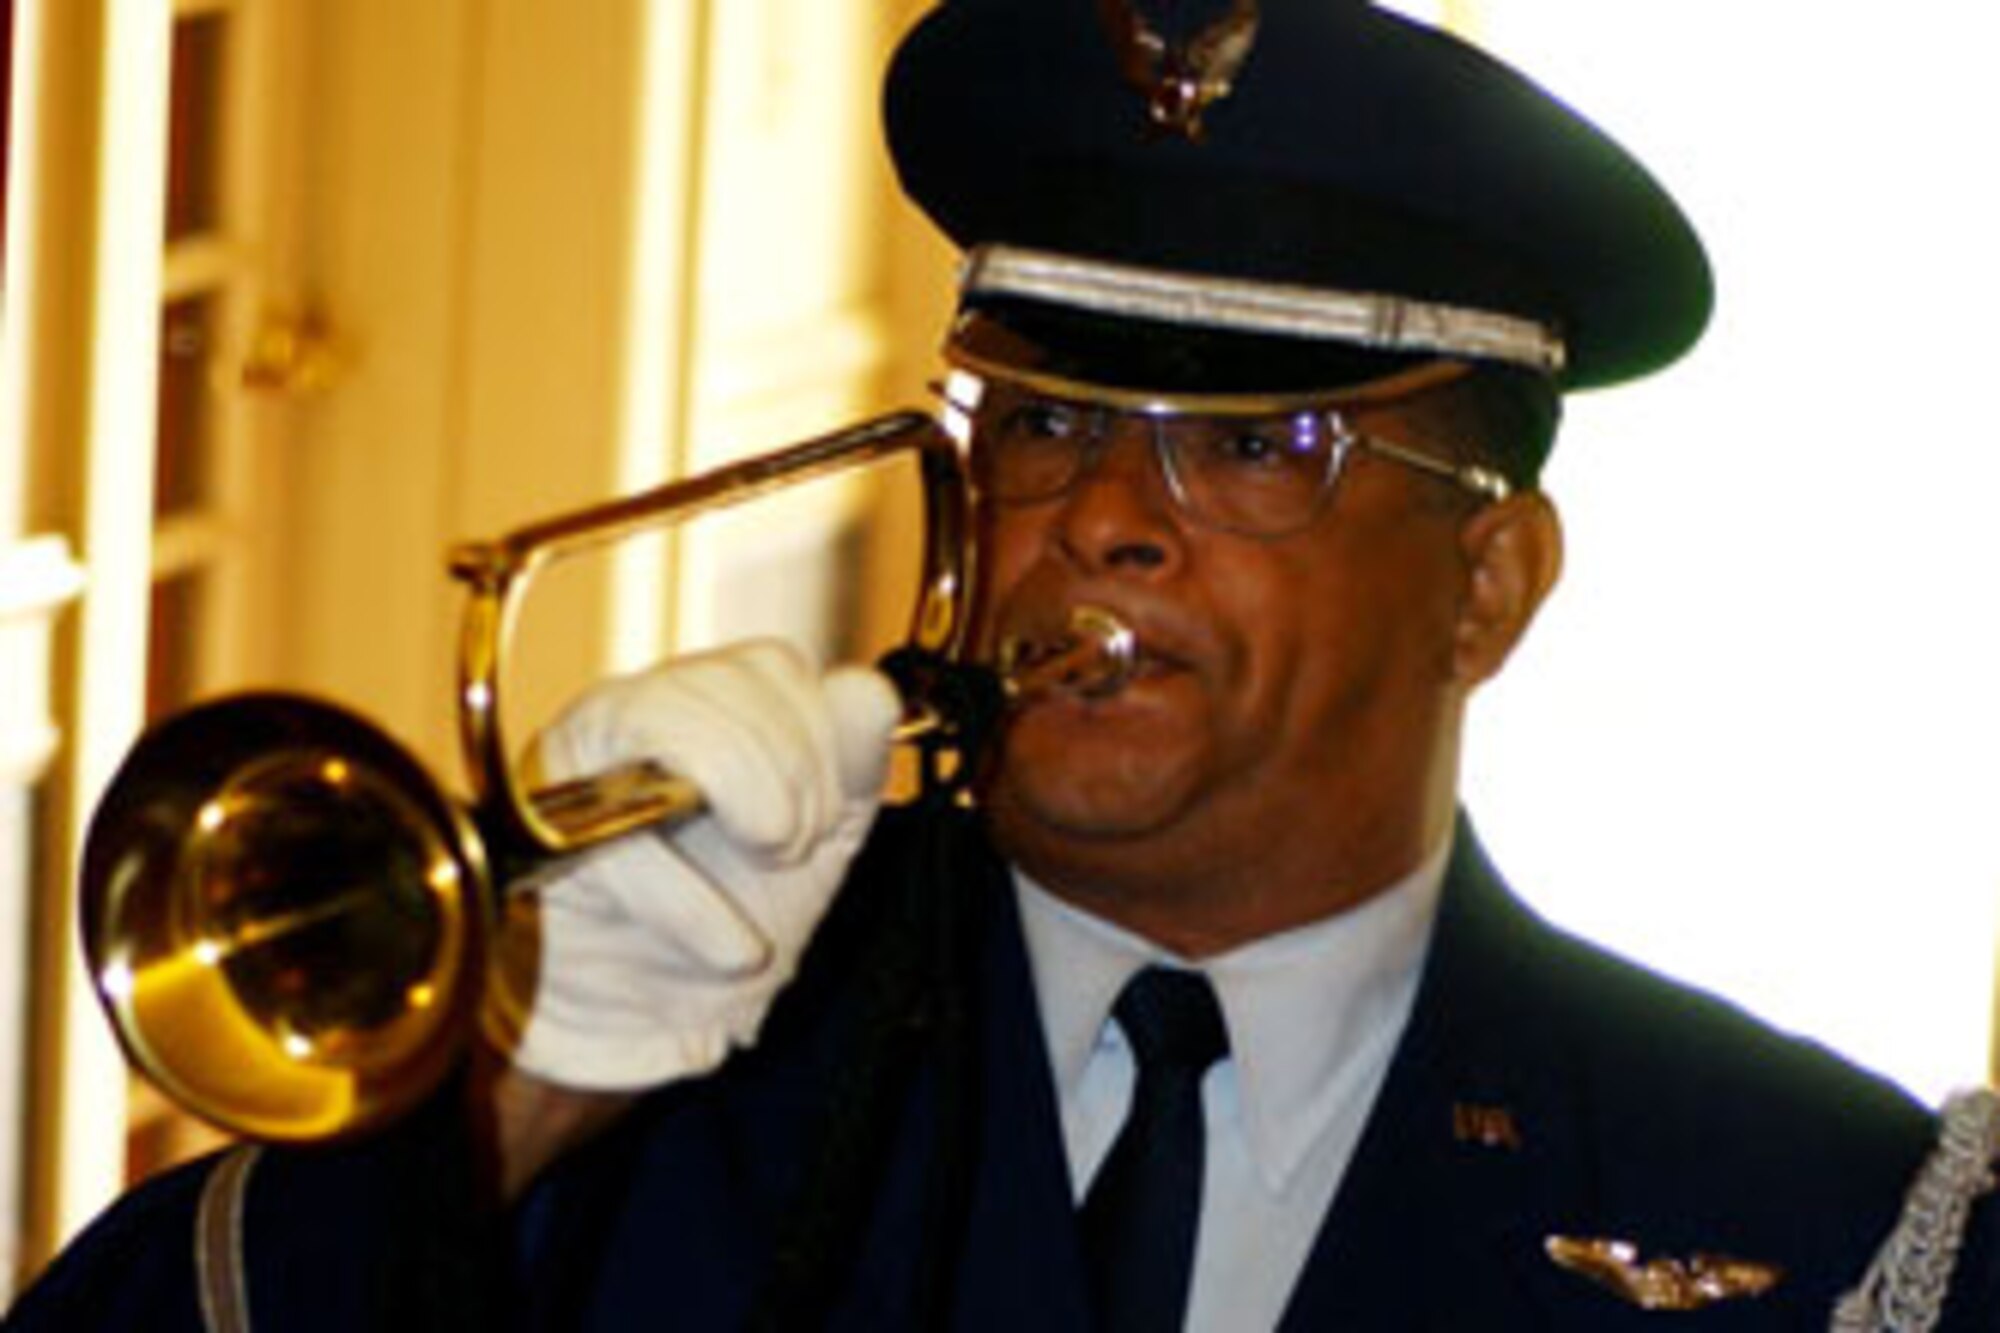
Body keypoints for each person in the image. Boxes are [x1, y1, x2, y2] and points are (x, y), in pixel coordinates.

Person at [13, 1, 1999, 1329]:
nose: (1099, 522)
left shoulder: (1814, 1220)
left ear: (1487, 584)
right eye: (1041, 424)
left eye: (1251, 449)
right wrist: (503, 1101)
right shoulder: (633, 1067)